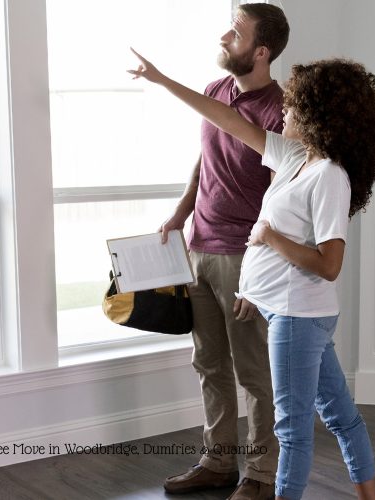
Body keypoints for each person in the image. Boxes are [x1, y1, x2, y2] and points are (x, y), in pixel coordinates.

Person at [129, 50, 375, 500]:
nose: (284, 110)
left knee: (292, 430)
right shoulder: (294, 157)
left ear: (315, 115)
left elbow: (329, 264)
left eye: (293, 105)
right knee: (341, 416)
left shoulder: (329, 175)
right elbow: (226, 120)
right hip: (285, 308)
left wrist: (269, 237)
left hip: (297, 315)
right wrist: (162, 80)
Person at [154, 4, 289, 500]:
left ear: (261, 51)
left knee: (253, 371)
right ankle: (218, 462)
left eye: (236, 32)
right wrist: (181, 212)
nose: (224, 37)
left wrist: (259, 270)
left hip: (243, 256)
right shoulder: (215, 91)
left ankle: (261, 474)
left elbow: (281, 199)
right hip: (200, 247)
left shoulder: (280, 111)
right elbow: (203, 161)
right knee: (209, 364)